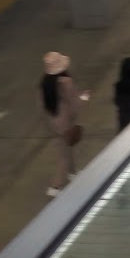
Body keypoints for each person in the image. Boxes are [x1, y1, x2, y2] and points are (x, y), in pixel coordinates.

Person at [40, 52, 89, 197]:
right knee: (63, 156)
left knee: (68, 146)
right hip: (65, 122)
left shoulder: (44, 83)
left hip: (53, 122)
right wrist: (84, 98)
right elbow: (74, 103)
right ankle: (55, 187)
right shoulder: (65, 82)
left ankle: (73, 173)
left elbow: (42, 105)